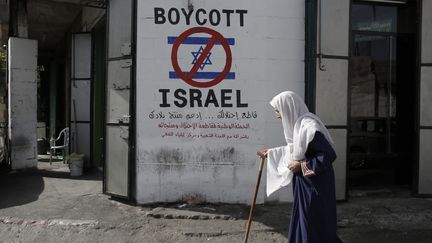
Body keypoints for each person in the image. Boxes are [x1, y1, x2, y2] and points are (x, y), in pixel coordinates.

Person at [259, 91, 342, 243]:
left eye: (278, 111)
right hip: (305, 184)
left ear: (288, 108)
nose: (277, 116)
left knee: (313, 222)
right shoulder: (298, 127)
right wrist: (270, 153)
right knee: (304, 220)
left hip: (316, 186)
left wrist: (302, 166)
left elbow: (328, 155)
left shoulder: (309, 127)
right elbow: (295, 150)